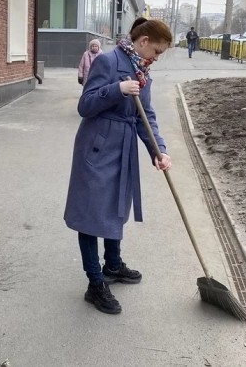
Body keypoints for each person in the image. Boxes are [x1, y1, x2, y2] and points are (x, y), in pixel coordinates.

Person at [63, 17, 173, 314]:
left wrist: (159, 150)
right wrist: (117, 89)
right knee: (89, 215)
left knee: (115, 207)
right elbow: (85, 105)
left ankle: (112, 264)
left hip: (123, 149)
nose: (157, 58)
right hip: (97, 147)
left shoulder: (142, 72)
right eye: (157, 51)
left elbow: (146, 116)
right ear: (144, 41)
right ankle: (95, 283)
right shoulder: (108, 61)